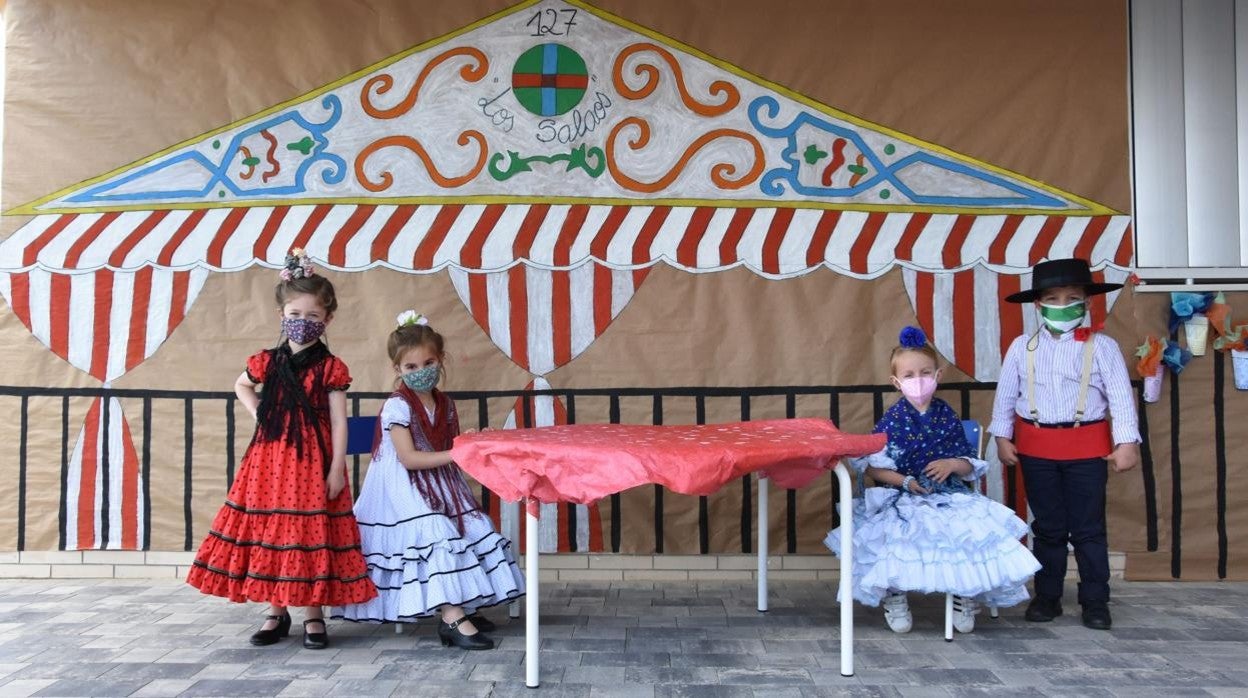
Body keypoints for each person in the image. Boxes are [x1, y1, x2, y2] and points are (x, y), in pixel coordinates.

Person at [187, 249, 375, 649]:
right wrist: (262, 412)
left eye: (312, 317)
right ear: (281, 314)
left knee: (307, 531)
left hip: (313, 461)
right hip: (269, 460)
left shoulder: (330, 367)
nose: (302, 323)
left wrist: (337, 468)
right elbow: (241, 385)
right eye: (294, 314)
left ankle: (312, 614)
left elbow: (339, 420)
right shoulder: (266, 361)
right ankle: (276, 610)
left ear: (327, 320)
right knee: (272, 528)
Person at [826, 326, 1040, 634]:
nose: (918, 380)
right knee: (893, 535)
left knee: (965, 532)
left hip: (949, 493)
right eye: (910, 375)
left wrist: (952, 464)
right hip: (903, 494)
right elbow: (874, 469)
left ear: (937, 375)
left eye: (924, 372)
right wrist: (903, 481)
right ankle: (895, 594)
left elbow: (969, 463)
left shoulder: (946, 415)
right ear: (896, 382)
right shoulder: (892, 419)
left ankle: (964, 594)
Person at [333, 310, 524, 650]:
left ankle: (463, 603)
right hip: (400, 486)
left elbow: (445, 444)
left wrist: (471, 441)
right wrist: (457, 455)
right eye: (410, 367)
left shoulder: (444, 403)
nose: (421, 372)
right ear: (397, 370)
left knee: (476, 524)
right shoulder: (397, 407)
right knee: (435, 531)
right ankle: (452, 618)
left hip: (438, 480)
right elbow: (408, 458)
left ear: (440, 360)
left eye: (428, 363)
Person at [990, 257, 1140, 630]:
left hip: (1087, 447)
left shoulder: (1102, 347)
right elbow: (1006, 396)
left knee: (1089, 528)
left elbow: (1121, 398)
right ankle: (1048, 596)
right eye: (1053, 298)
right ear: (1038, 305)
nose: (1062, 305)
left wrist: (1126, 442)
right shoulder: (1021, 347)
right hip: (1037, 447)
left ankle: (1095, 600)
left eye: (1072, 297)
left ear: (1088, 303)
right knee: (1049, 526)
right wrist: (1002, 435)